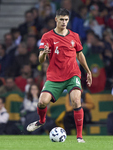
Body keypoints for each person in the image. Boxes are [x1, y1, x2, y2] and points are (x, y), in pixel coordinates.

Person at [26, 8, 92, 143]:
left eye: (66, 20)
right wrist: (44, 53)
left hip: (72, 74)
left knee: (76, 100)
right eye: (61, 19)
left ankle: (79, 137)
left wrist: (88, 71)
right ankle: (41, 121)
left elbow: (80, 54)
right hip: (54, 76)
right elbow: (40, 60)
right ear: (56, 19)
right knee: (42, 102)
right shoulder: (47, 36)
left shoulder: (74, 36)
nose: (63, 22)